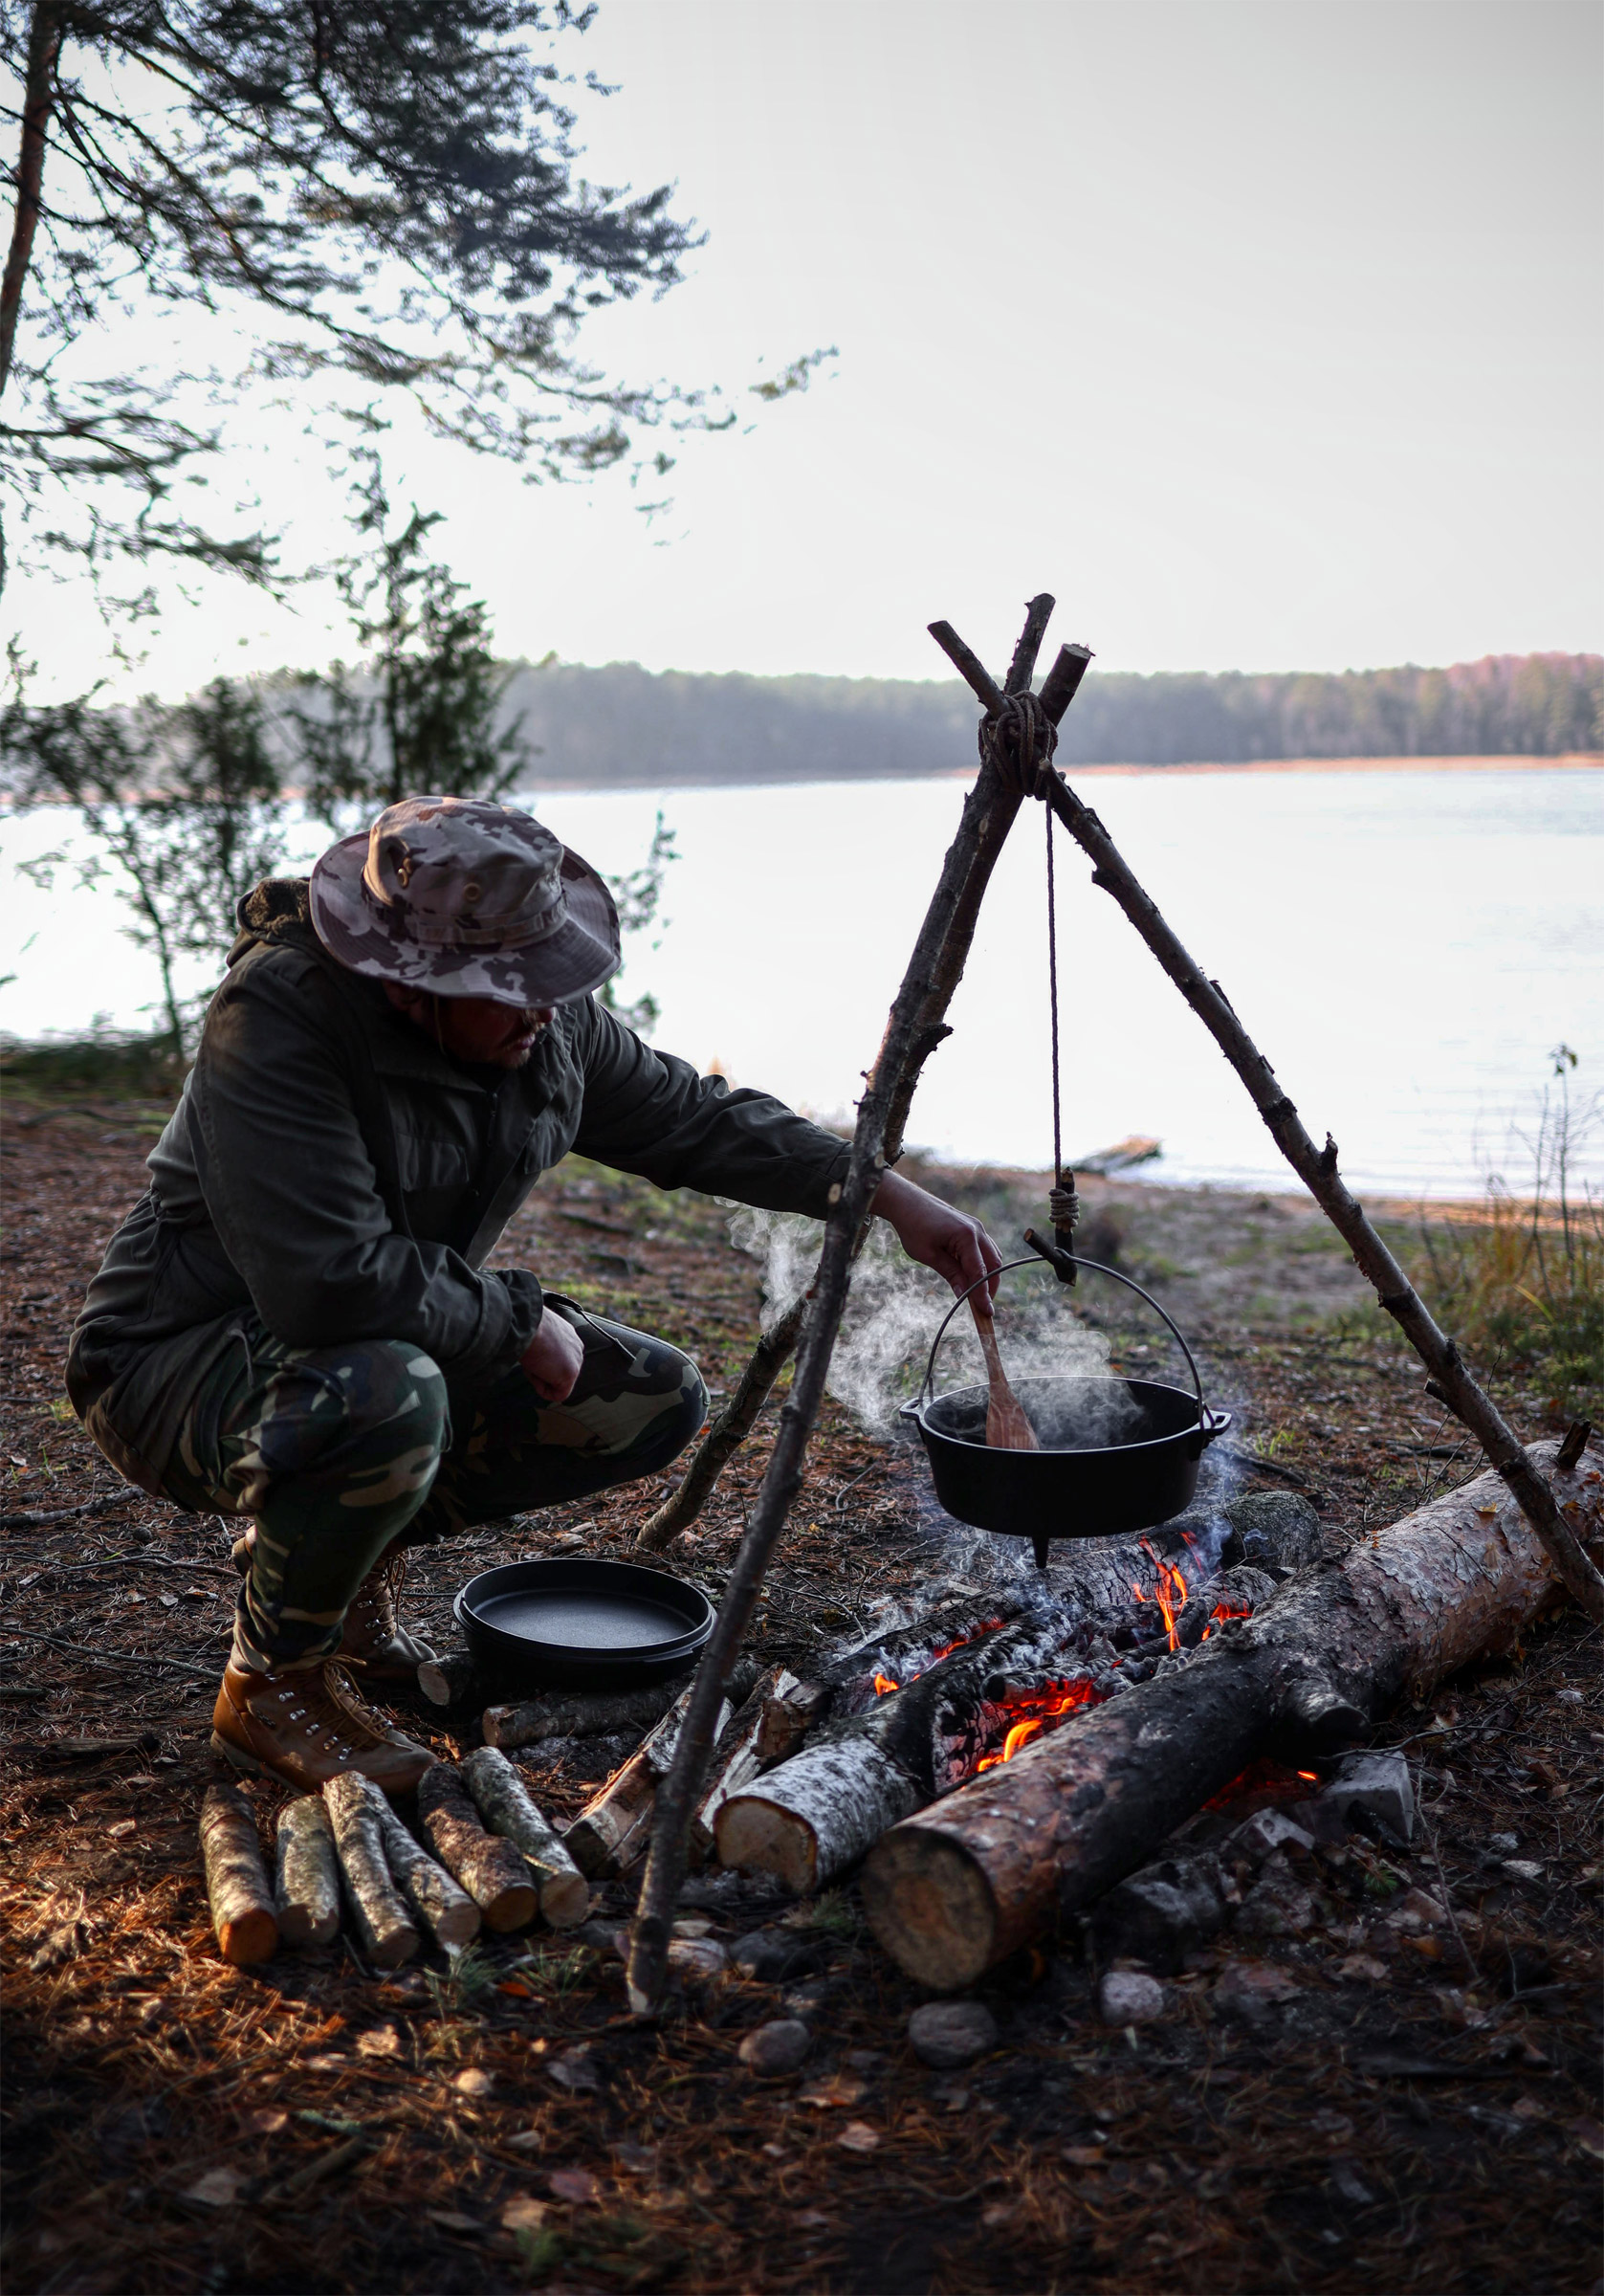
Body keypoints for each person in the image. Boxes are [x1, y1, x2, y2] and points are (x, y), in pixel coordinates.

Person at [68, 796, 1000, 1791]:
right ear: (408, 980)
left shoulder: (539, 1030)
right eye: (511, 986)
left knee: (640, 1395)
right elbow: (324, 1283)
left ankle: (334, 1591)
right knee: (387, 1392)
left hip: (371, 1340)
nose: (544, 1004)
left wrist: (888, 1197)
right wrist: (517, 1325)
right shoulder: (278, 1021)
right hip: (175, 1365)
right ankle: (271, 1686)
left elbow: (695, 1120)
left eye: (550, 972)